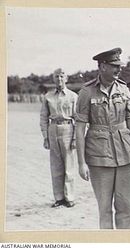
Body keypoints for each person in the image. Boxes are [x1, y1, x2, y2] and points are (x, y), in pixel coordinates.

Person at [75, 48, 130, 229]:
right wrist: (81, 163)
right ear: (103, 66)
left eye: (119, 66)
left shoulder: (124, 89)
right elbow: (80, 128)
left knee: (126, 207)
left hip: (124, 154)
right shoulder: (86, 92)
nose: (118, 69)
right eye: (114, 66)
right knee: (104, 208)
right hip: (99, 156)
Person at [40, 68, 78, 208]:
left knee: (69, 165)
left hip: (68, 128)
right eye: (57, 77)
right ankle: (59, 198)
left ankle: (70, 197)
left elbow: (79, 119)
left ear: (66, 79)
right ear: (53, 79)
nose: (59, 79)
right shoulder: (48, 97)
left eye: (62, 76)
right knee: (56, 166)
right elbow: (43, 117)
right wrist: (45, 136)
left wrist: (75, 138)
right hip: (53, 129)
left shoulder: (73, 96)